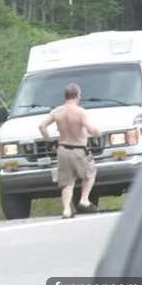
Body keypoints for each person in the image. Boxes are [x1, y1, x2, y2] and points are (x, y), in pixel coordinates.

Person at [38, 83, 101, 219]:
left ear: (65, 96)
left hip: (62, 150)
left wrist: (50, 142)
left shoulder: (57, 111)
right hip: (79, 149)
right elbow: (91, 129)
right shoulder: (80, 112)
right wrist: (97, 132)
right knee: (90, 173)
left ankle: (66, 210)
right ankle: (84, 199)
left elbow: (42, 126)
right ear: (77, 95)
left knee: (67, 182)